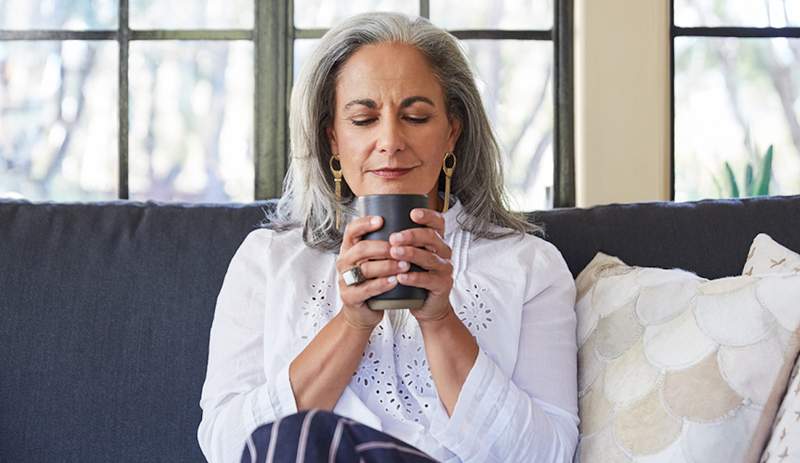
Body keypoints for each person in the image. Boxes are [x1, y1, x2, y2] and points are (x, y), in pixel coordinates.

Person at [198, 11, 578, 463]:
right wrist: (352, 323)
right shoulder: (269, 259)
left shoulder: (529, 265)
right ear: (333, 140)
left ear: (452, 131)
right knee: (307, 439)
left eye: (415, 117)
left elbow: (549, 454)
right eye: (363, 120)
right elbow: (228, 447)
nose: (390, 140)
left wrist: (439, 320)